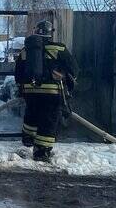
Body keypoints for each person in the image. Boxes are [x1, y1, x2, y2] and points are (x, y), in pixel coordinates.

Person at [14, 20, 77, 162]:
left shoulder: (25, 51)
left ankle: (28, 140)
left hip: (30, 92)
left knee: (32, 114)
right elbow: (74, 69)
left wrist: (23, 88)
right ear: (50, 33)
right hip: (52, 93)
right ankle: (41, 152)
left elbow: (18, 74)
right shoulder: (58, 49)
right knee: (49, 121)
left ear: (36, 31)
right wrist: (65, 78)